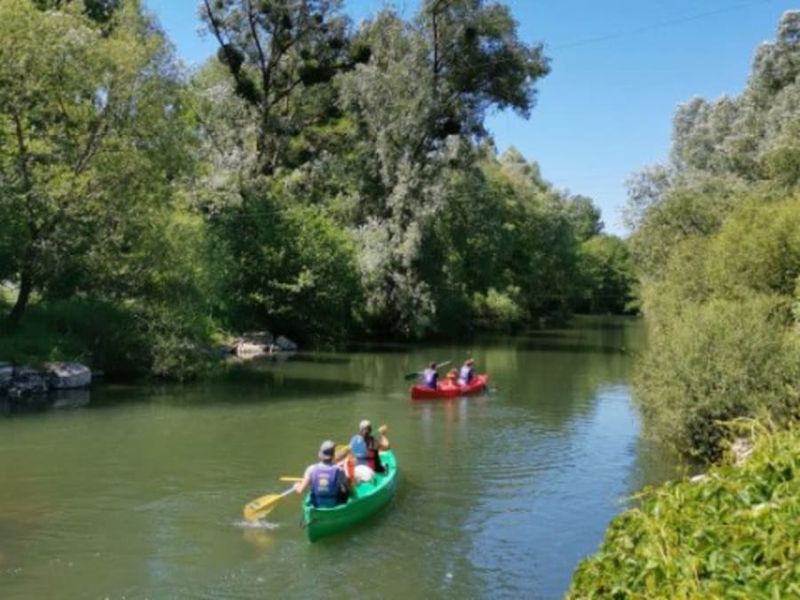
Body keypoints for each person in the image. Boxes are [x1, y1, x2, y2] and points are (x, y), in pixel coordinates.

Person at [294, 440, 350, 508]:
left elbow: (300, 490)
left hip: (317, 506)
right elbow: (347, 489)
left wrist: (296, 486)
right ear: (333, 455)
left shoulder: (311, 469)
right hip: (334, 505)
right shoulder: (339, 471)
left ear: (320, 454)